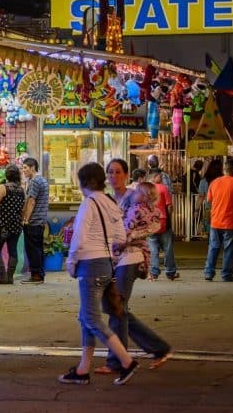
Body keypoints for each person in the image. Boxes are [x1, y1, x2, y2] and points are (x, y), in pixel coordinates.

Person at [57, 161, 140, 386]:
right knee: (86, 317)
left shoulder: (88, 204)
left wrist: (71, 262)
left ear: (83, 182)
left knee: (91, 319)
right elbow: (121, 239)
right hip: (106, 264)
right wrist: (109, 258)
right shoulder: (111, 203)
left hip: (89, 265)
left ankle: (126, 361)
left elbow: (79, 237)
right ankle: (83, 369)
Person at [100, 159, 173, 375]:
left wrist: (129, 237)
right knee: (115, 308)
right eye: (111, 172)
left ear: (126, 174)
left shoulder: (135, 195)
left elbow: (155, 222)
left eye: (118, 172)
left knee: (116, 307)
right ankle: (158, 348)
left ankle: (117, 361)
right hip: (112, 257)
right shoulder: (107, 199)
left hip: (131, 256)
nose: (114, 176)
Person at [203, 158, 233, 282]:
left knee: (213, 247)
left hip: (216, 220)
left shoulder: (214, 182)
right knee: (229, 249)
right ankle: (226, 274)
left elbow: (209, 200)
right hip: (231, 222)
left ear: (224, 169)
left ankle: (209, 273)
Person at [20, 157, 49, 284]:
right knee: (38, 248)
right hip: (41, 221)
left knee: (33, 249)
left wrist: (26, 219)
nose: (23, 171)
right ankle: (39, 274)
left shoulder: (35, 181)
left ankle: (36, 275)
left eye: (25, 168)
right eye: (23, 168)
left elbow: (31, 201)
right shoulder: (43, 180)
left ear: (33, 168)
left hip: (34, 220)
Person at [145, 169, 178, 281]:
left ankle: (154, 272)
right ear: (155, 176)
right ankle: (170, 272)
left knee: (153, 249)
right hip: (163, 221)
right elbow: (169, 206)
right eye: (160, 175)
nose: (161, 177)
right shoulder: (163, 188)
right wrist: (170, 218)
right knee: (168, 247)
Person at [198, 159, 224, 237]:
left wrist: (196, 210)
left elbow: (200, 197)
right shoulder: (224, 181)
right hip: (222, 207)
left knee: (211, 230)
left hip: (208, 208)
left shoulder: (204, 181)